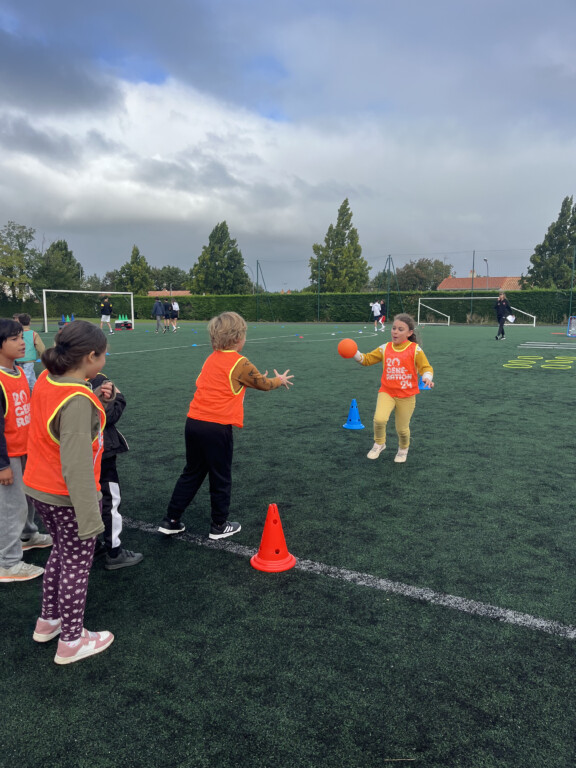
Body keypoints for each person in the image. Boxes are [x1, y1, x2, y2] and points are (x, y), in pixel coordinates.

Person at [23, 320, 114, 664]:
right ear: (90, 356)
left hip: (39, 488)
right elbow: (76, 464)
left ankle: (48, 621)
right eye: (103, 355)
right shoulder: (77, 401)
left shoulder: (48, 378)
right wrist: (89, 514)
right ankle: (72, 641)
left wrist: (98, 391)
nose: (106, 360)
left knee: (60, 554)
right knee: (77, 564)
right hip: (66, 495)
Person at [158, 311, 294, 539]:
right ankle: (219, 525)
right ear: (239, 337)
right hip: (217, 428)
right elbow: (263, 384)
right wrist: (279, 381)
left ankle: (171, 519)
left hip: (193, 423)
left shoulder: (211, 358)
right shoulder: (240, 362)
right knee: (220, 475)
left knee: (191, 472)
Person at [0, 318, 51, 583]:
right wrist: (2, 465)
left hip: (25, 449)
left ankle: (28, 535)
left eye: (22, 337)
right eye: (15, 339)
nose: (23, 343)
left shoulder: (19, 372)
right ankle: (7, 563)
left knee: (29, 498)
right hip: (8, 456)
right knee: (12, 507)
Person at [350, 313, 434, 464]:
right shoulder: (385, 348)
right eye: (394, 328)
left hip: (407, 395)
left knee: (402, 429)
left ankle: (403, 449)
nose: (395, 331)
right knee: (379, 419)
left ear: (409, 333)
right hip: (387, 392)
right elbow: (367, 359)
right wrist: (354, 353)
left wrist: (427, 377)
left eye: (400, 329)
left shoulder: (415, 350)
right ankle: (379, 444)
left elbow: (426, 367)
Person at [89, 372, 143, 571]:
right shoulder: (96, 379)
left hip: (75, 454)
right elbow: (108, 417)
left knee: (86, 500)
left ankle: (92, 546)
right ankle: (114, 552)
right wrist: (118, 397)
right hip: (101, 453)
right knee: (109, 501)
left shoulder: (57, 377)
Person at [13, 313, 45, 391]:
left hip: (18, 359)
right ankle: (21, 392)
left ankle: (35, 391)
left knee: (31, 378)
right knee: (25, 378)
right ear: (30, 322)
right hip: (29, 360)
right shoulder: (34, 334)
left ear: (19, 322)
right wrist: (43, 357)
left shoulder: (15, 333)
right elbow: (41, 348)